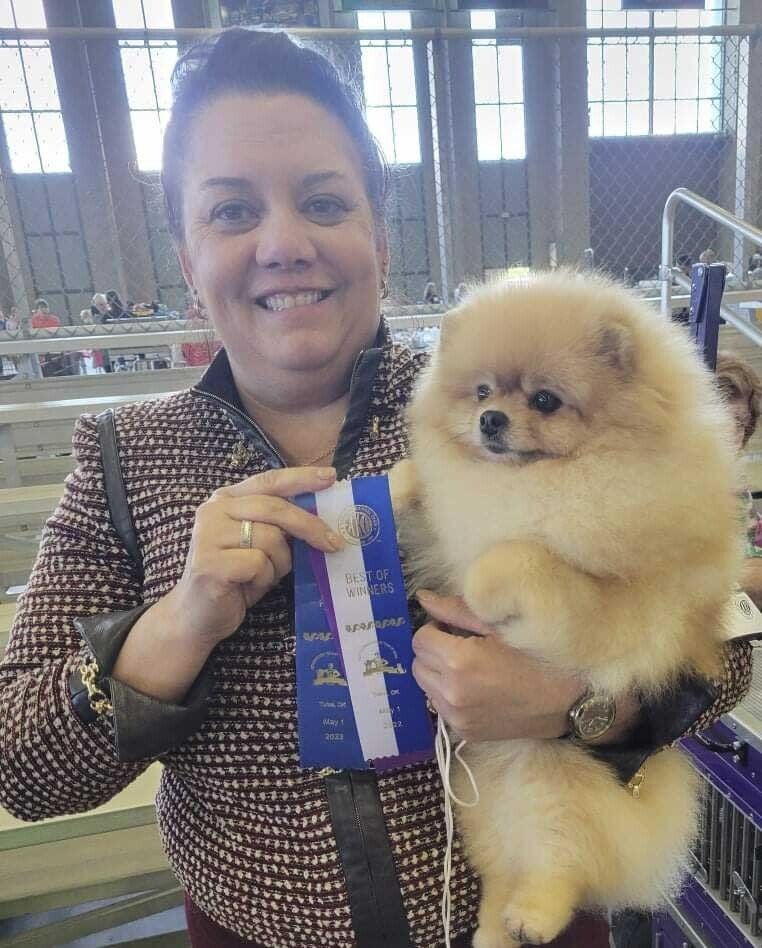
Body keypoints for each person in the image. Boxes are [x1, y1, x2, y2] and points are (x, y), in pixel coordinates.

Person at [0, 28, 753, 948]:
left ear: (380, 238)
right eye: (232, 212)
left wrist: (578, 704)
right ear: (187, 258)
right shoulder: (124, 456)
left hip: (524, 915)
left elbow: (723, 647)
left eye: (322, 202)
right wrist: (178, 625)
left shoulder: (482, 408)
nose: (283, 244)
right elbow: (23, 769)